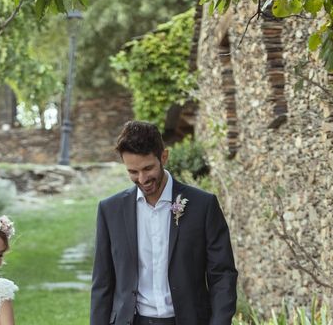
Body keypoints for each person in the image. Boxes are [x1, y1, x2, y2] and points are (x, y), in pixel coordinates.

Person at [90, 121, 237, 325]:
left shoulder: (203, 205)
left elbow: (222, 274)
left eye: (148, 168)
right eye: (133, 172)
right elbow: (102, 284)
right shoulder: (110, 210)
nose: (142, 179)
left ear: (164, 157)